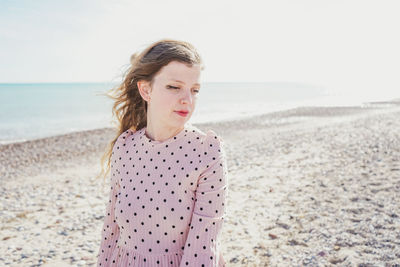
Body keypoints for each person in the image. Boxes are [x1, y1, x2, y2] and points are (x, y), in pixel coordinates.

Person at [96, 39, 228, 267]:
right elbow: (110, 231)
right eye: (174, 87)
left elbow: (203, 247)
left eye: (194, 90)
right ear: (146, 89)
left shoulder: (207, 152)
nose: (187, 99)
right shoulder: (125, 147)